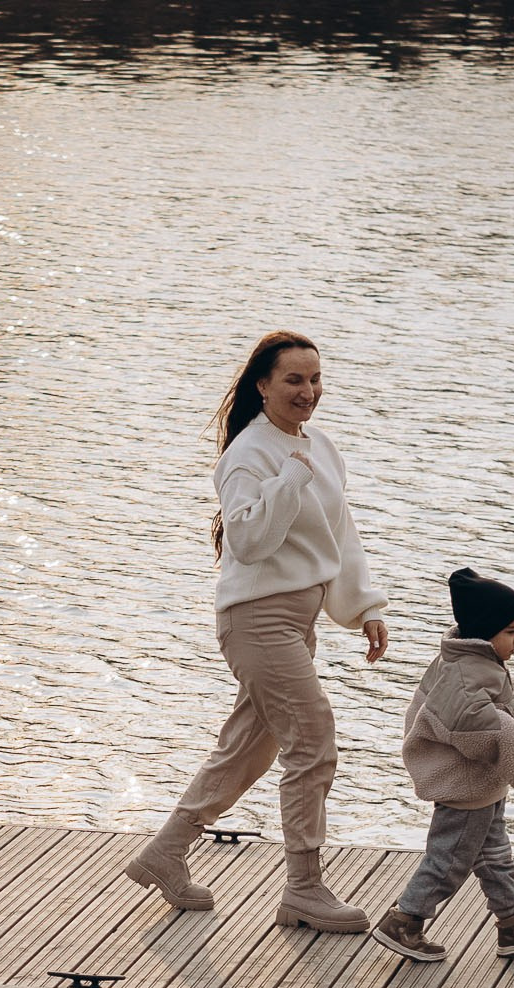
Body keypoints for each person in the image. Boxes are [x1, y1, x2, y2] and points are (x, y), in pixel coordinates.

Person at [124, 331, 390, 934]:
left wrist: (366, 606)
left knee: (249, 748)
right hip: (258, 619)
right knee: (313, 741)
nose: (308, 392)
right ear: (262, 385)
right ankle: (303, 889)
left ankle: (166, 852)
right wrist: (288, 481)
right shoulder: (247, 454)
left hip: (298, 619)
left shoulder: (318, 446)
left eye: (315, 379)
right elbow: (247, 539)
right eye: (293, 380)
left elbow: (340, 538)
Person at [370, 568, 514, 961]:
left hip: (483, 785)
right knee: (448, 861)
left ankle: (513, 924)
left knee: (495, 855)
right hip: (464, 787)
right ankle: (405, 920)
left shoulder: (472, 658)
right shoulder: (464, 675)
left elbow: (500, 695)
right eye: (512, 632)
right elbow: (487, 729)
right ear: (485, 630)